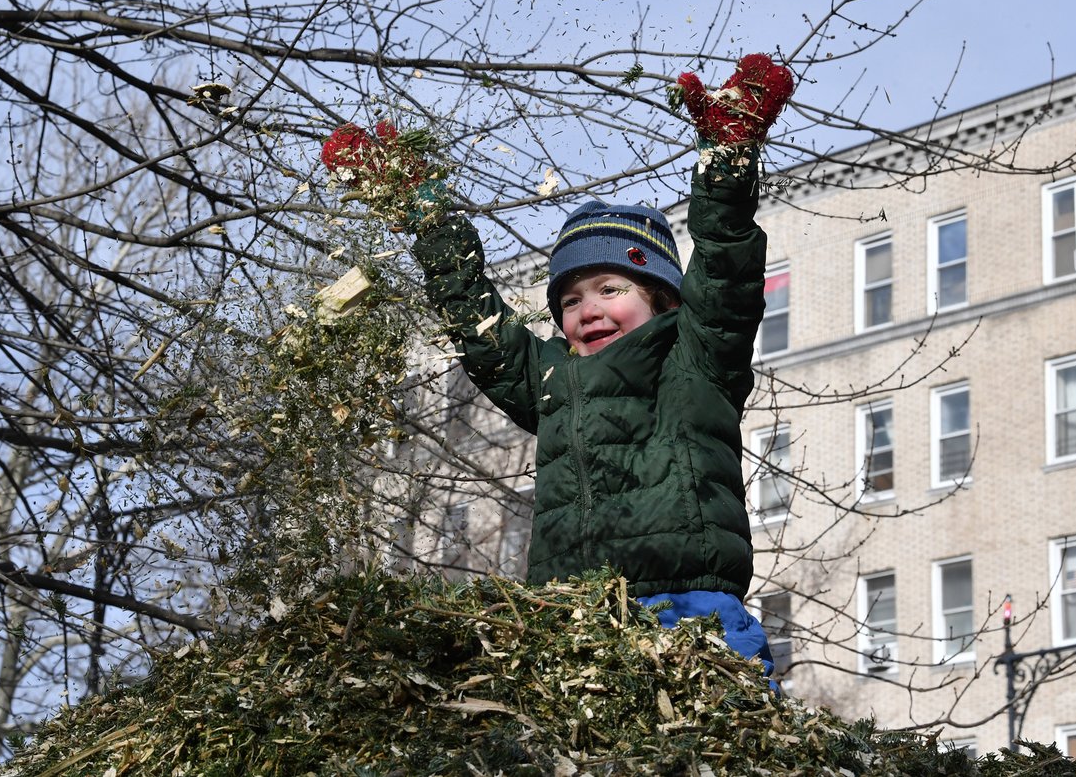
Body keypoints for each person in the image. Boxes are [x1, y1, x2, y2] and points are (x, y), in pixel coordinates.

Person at [326, 54, 792, 682]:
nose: (587, 309)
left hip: (685, 608)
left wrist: (728, 165)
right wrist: (425, 215)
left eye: (609, 289)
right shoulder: (554, 380)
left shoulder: (694, 359)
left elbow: (726, 272)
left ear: (662, 300)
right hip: (572, 616)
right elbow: (477, 322)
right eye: (570, 300)